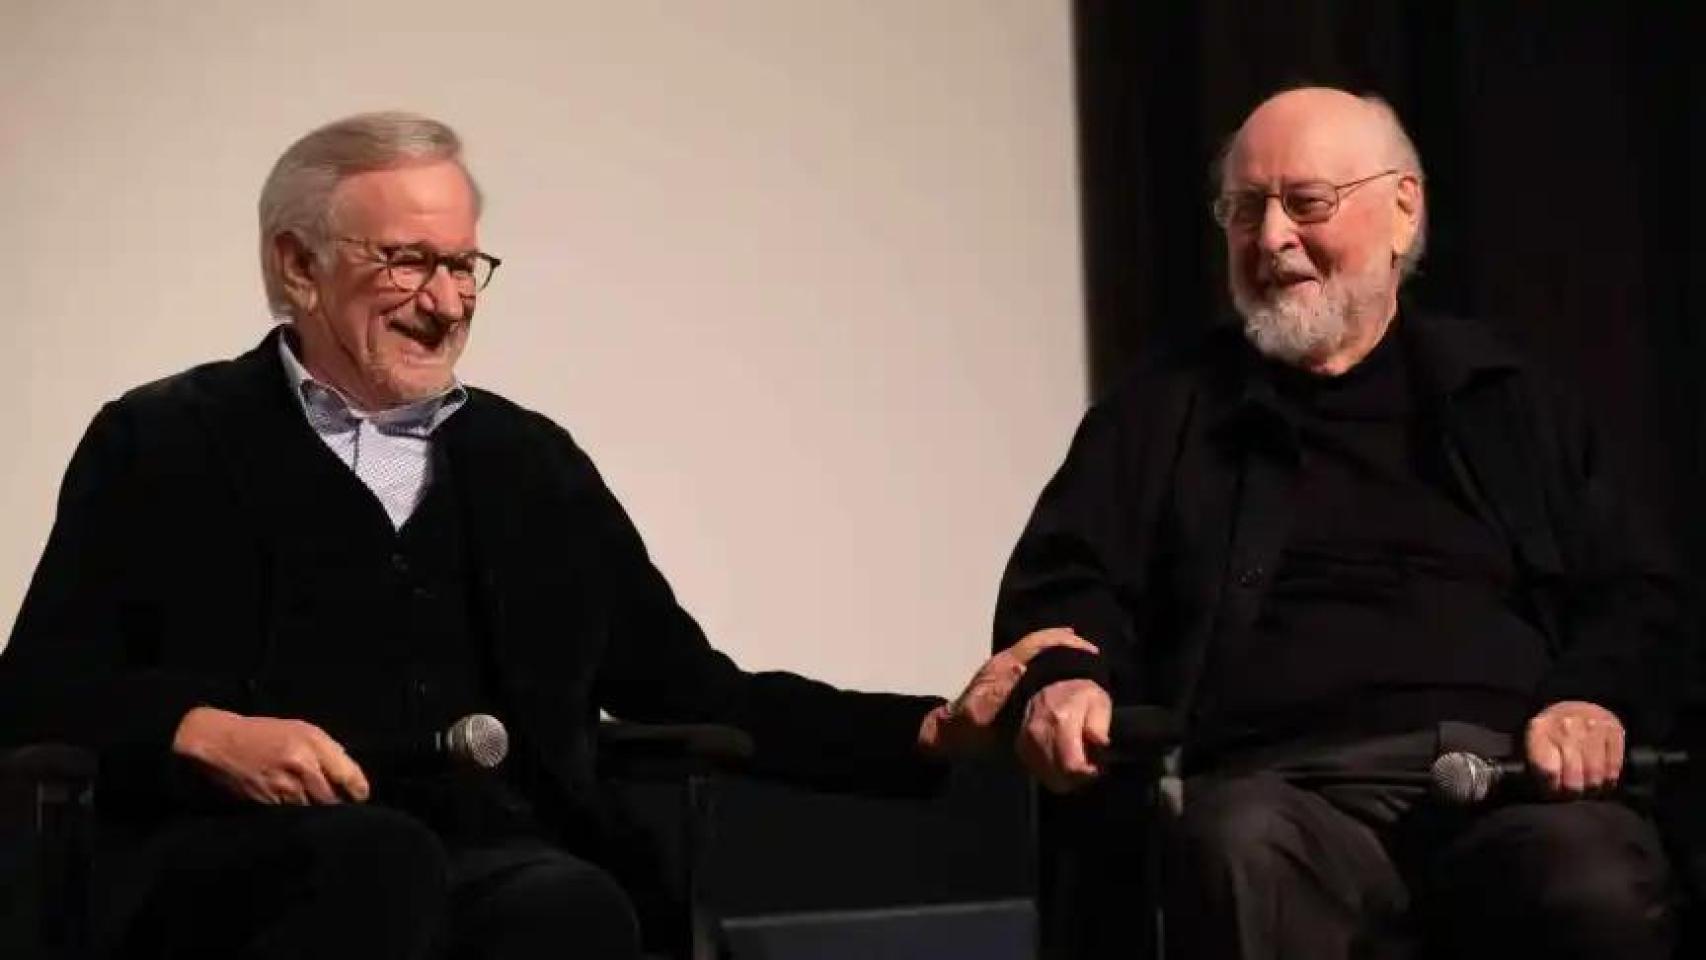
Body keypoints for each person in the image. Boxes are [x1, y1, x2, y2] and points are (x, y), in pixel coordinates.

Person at [0, 111, 1088, 960]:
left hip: (483, 858)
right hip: (230, 865)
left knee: (566, 903)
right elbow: (39, 684)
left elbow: (692, 687)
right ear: (296, 265)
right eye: (406, 262)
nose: (446, 301)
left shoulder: (530, 466)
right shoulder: (162, 443)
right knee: (375, 864)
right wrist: (203, 730)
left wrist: (931, 731)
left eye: (463, 265)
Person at [998, 87, 1689, 959]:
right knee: (1235, 850)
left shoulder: (1508, 399)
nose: (1272, 237)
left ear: (1404, 210)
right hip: (1281, 790)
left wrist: (1593, 697)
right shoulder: (1164, 409)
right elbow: (1068, 582)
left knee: (1596, 879)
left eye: (1306, 203)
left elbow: (1637, 592)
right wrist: (1066, 677)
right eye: (1245, 210)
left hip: (1511, 787)